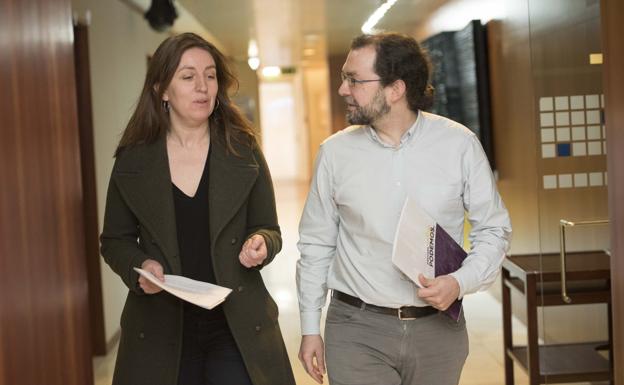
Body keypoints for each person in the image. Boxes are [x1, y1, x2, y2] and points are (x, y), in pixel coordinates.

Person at [297, 32, 512, 385]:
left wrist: (459, 282)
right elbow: (315, 245)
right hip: (356, 329)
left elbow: (494, 229)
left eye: (354, 80)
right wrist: (309, 327)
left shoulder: (459, 145)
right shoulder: (334, 154)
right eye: (343, 78)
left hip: (438, 331)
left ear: (395, 89)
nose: (343, 90)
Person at [100, 32, 296, 385]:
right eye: (188, 77)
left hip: (234, 323)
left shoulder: (243, 151)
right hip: (160, 327)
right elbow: (114, 240)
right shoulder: (133, 160)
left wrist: (261, 244)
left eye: (210, 75)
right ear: (162, 89)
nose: (203, 87)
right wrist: (140, 266)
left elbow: (270, 229)